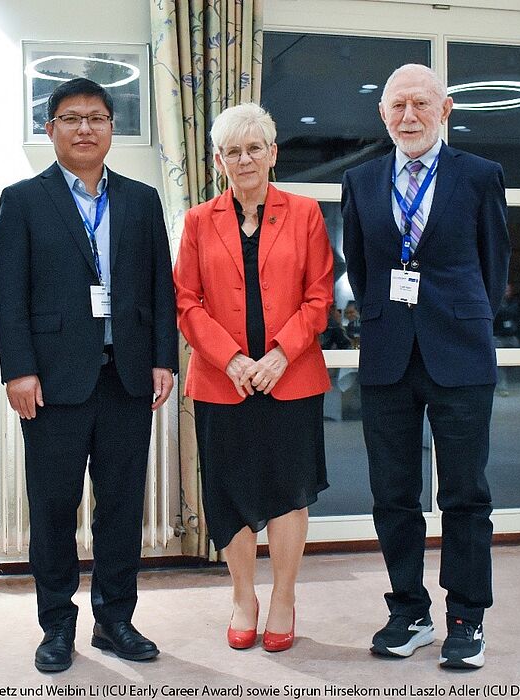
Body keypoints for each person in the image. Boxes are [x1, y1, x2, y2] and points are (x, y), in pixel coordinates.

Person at [0, 78, 178, 673]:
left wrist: (164, 358)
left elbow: (161, 286)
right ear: (51, 130)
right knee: (53, 508)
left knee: (121, 506)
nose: (85, 129)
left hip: (127, 377)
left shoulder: (141, 200)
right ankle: (56, 626)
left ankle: (115, 620)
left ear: (111, 128)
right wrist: (18, 369)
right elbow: (7, 295)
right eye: (71, 118)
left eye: (96, 118)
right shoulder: (23, 200)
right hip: (52, 382)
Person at [341, 63, 510, 670]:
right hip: (388, 354)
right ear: (382, 114)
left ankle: (466, 618)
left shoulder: (479, 176)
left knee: (465, 493)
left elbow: (494, 266)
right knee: (393, 494)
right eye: (397, 105)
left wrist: (458, 317)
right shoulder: (360, 181)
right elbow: (360, 267)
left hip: (460, 353)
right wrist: (390, 317)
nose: (408, 116)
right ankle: (408, 611)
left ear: (445, 110)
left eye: (421, 103)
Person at [173, 103, 333, 653]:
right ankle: (244, 597)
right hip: (224, 382)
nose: (244, 159)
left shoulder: (305, 214)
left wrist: (280, 355)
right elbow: (186, 302)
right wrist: (233, 360)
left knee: (289, 491)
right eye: (232, 151)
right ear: (219, 161)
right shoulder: (198, 221)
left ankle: (284, 597)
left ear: (272, 154)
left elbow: (319, 296)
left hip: (292, 377)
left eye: (254, 148)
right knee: (230, 492)